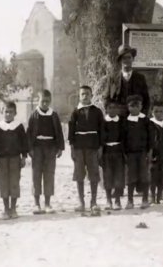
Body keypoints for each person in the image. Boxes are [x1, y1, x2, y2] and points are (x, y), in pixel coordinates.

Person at [26, 89, 65, 214]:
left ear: (50, 101)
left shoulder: (54, 115)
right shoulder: (34, 115)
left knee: (49, 174)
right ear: (38, 100)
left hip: (50, 148)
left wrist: (60, 147)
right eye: (42, 101)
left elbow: (59, 131)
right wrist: (30, 149)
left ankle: (47, 203)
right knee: (36, 175)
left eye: (47, 101)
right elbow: (29, 132)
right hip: (37, 148)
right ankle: (36, 204)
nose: (44, 104)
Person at [68, 85, 103, 215]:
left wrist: (100, 147)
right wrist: (72, 148)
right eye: (82, 94)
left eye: (87, 94)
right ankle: (81, 202)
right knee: (79, 174)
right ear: (79, 96)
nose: (85, 96)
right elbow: (71, 132)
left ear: (91, 95)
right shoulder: (75, 112)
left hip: (93, 147)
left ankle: (93, 201)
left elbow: (101, 130)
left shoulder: (97, 111)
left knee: (93, 173)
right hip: (78, 147)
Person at [0, 101, 28, 219]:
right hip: (2, 159)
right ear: (2, 112)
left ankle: (13, 208)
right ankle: (6, 209)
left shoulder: (19, 126)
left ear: (15, 113)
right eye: (6, 112)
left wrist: (24, 157)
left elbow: (24, 142)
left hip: (15, 158)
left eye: (10, 112)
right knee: (4, 183)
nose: (8, 114)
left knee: (14, 182)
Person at [102, 45, 150, 117]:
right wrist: (110, 113)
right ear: (120, 60)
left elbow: (146, 100)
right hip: (118, 117)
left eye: (129, 57)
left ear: (132, 59)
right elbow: (106, 98)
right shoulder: (113, 78)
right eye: (124, 58)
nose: (127, 60)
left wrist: (142, 115)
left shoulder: (140, 78)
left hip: (135, 116)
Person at [124, 94, 153, 209]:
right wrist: (124, 153)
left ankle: (145, 199)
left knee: (144, 176)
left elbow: (151, 138)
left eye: (137, 105)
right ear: (128, 107)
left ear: (141, 106)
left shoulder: (146, 121)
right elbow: (123, 138)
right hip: (130, 154)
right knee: (131, 177)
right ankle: (130, 200)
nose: (134, 108)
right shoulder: (126, 122)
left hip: (143, 153)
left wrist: (149, 152)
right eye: (132, 106)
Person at [101, 100, 126, 210]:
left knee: (118, 175)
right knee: (108, 175)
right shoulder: (102, 122)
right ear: (106, 109)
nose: (112, 110)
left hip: (118, 151)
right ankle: (108, 200)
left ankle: (117, 200)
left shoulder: (121, 122)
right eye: (110, 108)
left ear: (118, 110)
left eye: (115, 108)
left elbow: (124, 137)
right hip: (106, 151)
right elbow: (100, 138)